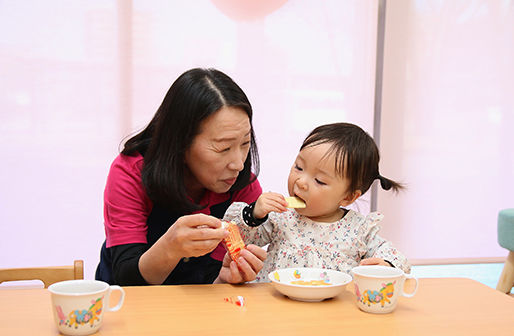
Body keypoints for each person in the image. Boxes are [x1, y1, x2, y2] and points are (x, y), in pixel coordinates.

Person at [95, 68, 267, 286]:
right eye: (224, 148)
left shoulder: (243, 187)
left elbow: (210, 286)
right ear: (181, 143)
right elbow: (125, 278)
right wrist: (170, 247)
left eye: (245, 143)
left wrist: (226, 278)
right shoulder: (132, 172)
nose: (238, 164)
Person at [223, 122, 410, 282]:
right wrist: (254, 213)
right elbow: (236, 239)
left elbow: (395, 257)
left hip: (334, 314)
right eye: (299, 167)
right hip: (277, 307)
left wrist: (386, 265)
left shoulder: (359, 229)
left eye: (319, 180)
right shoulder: (280, 216)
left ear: (348, 197)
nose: (301, 182)